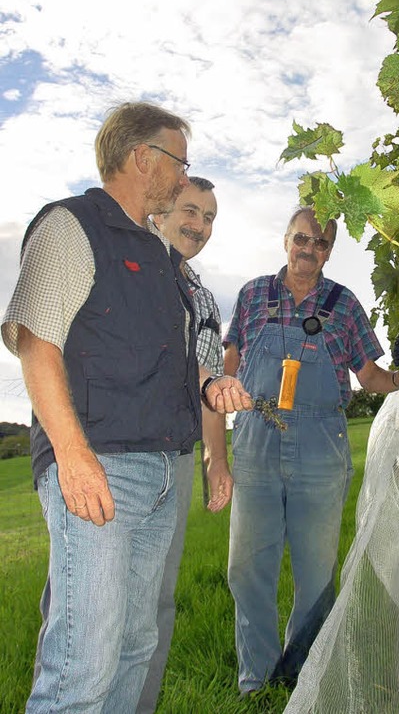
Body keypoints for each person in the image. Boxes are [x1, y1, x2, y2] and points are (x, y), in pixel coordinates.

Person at [1, 102, 251, 713]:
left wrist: (210, 389)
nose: (183, 174)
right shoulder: (72, 225)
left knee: (135, 649)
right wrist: (73, 457)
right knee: (82, 665)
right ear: (143, 158)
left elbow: (175, 367)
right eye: (179, 161)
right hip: (101, 472)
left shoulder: (167, 265)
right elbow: (36, 341)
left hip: (163, 473)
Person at [223, 206, 399, 694]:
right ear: (286, 240)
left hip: (321, 445)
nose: (309, 249)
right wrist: (221, 398)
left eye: (320, 243)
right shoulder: (253, 294)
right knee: (247, 564)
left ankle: (303, 673)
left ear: (330, 251)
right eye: (302, 238)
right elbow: (230, 360)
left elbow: (369, 375)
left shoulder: (344, 304)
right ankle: (256, 677)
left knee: (316, 571)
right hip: (256, 436)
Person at [137, 175, 232, 714]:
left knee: (156, 608)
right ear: (161, 211)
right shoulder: (128, 269)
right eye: (191, 211)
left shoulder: (202, 295)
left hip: (173, 461)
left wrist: (215, 460)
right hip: (115, 453)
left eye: (210, 217)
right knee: (91, 614)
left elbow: (211, 383)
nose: (200, 225)